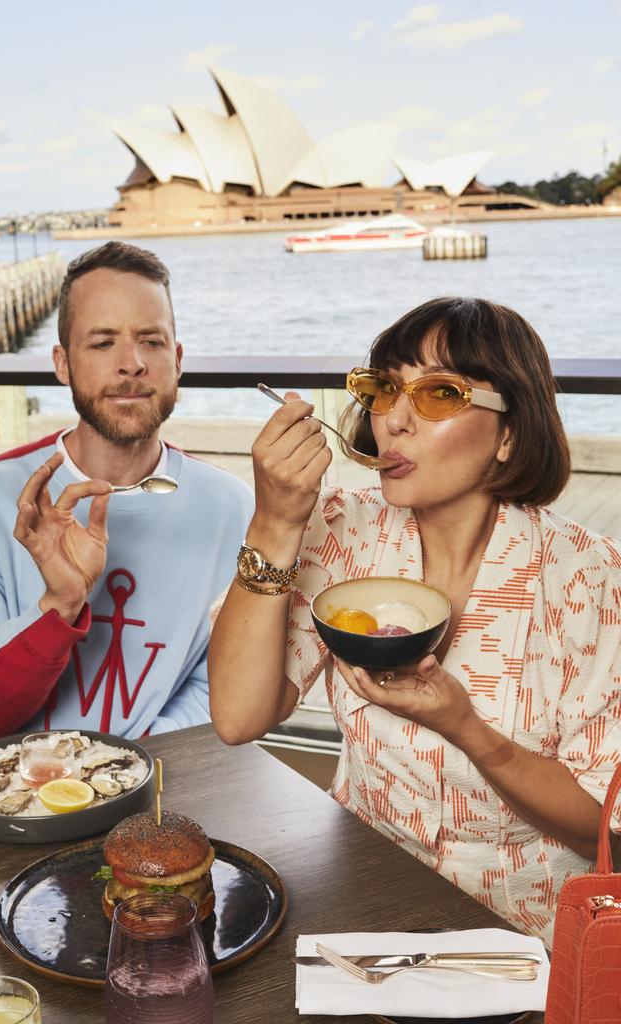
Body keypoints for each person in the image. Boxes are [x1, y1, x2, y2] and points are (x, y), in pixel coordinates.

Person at [209, 296, 620, 946]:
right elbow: (238, 717)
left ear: (509, 428)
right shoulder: (343, 528)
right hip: (359, 899)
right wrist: (275, 522)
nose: (392, 421)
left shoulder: (588, 579)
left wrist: (466, 729)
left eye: (438, 395)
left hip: (522, 935)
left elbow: (601, 830)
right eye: (384, 389)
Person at [0, 241, 253, 766]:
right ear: (62, 364)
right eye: (101, 343)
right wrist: (58, 607)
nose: (132, 363)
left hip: (148, 783)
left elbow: (220, 687)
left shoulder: (232, 508)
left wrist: (118, 768)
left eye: (152, 341)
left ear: (177, 360)